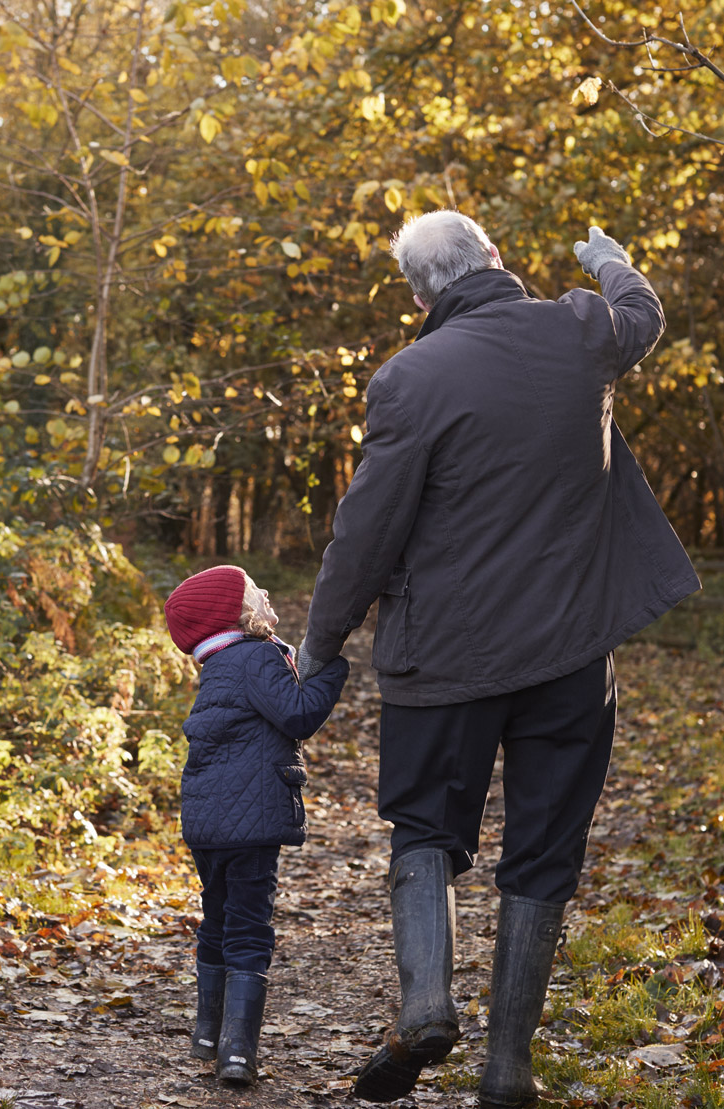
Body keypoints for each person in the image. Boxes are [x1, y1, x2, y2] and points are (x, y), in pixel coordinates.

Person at [296, 213, 700, 1107]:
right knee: (544, 850)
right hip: (570, 656)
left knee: (423, 829)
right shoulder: (580, 329)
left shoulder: (408, 379)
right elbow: (641, 312)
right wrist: (606, 259)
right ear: (491, 257)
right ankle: (507, 1065)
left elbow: (365, 534)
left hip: (445, 659)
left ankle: (426, 1003)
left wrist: (319, 643)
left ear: (417, 296)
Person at [164, 565, 349, 1087]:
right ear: (237, 615)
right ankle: (238, 1053)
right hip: (252, 822)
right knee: (248, 927)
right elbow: (298, 715)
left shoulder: (220, 664)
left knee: (217, 919)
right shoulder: (257, 656)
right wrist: (333, 670)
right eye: (253, 590)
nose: (265, 592)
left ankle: (208, 1035)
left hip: (206, 821)